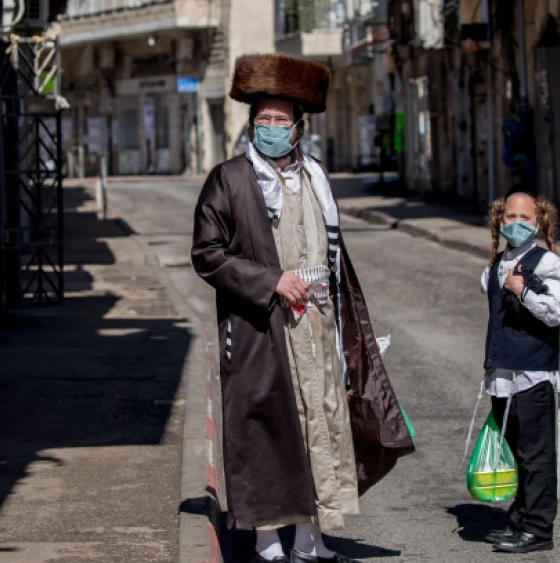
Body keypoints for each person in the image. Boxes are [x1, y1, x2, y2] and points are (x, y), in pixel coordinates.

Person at [192, 53, 414, 563]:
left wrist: (343, 325)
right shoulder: (228, 179)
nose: (271, 126)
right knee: (270, 426)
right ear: (253, 123)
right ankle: (268, 540)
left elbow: (333, 258)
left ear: (298, 128)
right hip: (261, 327)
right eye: (263, 118)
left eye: (281, 119)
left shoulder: (316, 177)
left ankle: (313, 536)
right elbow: (208, 253)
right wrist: (271, 280)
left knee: (324, 422)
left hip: (317, 326)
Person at [479, 186, 560, 553]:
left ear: (539, 222)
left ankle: (538, 528)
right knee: (515, 452)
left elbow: (556, 312)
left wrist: (523, 290)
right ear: (500, 220)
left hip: (533, 374)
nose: (516, 223)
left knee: (537, 453)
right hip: (502, 376)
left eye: (525, 218)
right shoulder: (495, 265)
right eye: (510, 217)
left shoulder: (548, 264)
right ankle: (518, 521)